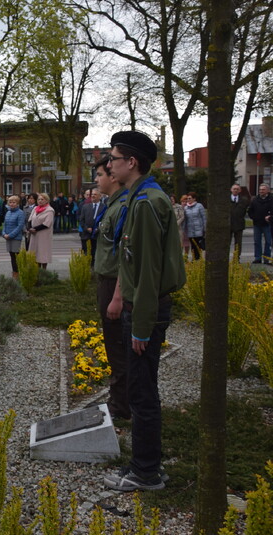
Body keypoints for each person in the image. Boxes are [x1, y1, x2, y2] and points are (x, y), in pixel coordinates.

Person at [104, 130, 185, 492]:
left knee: (141, 393)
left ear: (131, 162)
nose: (110, 165)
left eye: (114, 159)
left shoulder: (147, 203)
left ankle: (146, 472)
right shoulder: (140, 198)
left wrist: (141, 326)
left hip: (144, 309)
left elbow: (149, 271)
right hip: (139, 306)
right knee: (141, 389)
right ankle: (146, 465)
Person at [91, 156, 129, 420]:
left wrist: (117, 295)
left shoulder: (122, 208)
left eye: (100, 175)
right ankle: (119, 399)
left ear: (112, 177)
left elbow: (126, 257)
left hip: (114, 283)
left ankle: (121, 404)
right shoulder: (112, 205)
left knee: (117, 345)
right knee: (113, 343)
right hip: (106, 281)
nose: (96, 180)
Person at [27, 193, 54, 269]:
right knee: (35, 253)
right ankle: (37, 270)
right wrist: (29, 228)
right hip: (34, 235)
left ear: (46, 200)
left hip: (43, 235)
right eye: (39, 199)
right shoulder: (35, 208)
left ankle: (43, 271)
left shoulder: (50, 210)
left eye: (42, 199)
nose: (40, 201)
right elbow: (30, 219)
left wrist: (35, 229)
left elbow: (47, 224)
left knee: (43, 253)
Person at [1, 195, 25, 280]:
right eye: (10, 202)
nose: (12, 204)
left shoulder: (20, 213)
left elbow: (20, 226)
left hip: (16, 238)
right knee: (11, 256)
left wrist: (10, 235)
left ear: (17, 203)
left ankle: (18, 272)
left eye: (14, 202)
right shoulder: (8, 212)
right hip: (7, 237)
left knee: (16, 256)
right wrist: (3, 233)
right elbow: (5, 224)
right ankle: (14, 272)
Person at [249, 183, 272, 264]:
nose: (261, 191)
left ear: (268, 190)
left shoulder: (271, 199)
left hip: (268, 224)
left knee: (268, 242)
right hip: (257, 224)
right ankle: (257, 258)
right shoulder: (255, 200)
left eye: (263, 189)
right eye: (260, 189)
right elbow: (250, 211)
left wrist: (270, 217)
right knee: (257, 242)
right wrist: (254, 217)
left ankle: (266, 258)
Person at [79, 189, 106, 259]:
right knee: (86, 254)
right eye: (92, 194)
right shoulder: (85, 207)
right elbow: (81, 220)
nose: (93, 196)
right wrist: (86, 228)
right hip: (86, 235)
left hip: (98, 236)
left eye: (95, 194)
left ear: (100, 196)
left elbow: (105, 220)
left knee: (95, 254)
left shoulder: (104, 207)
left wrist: (98, 229)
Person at [183, 192, 206, 260]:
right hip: (190, 230)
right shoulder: (186, 208)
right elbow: (185, 220)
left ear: (194, 199)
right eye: (187, 198)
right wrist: (184, 230)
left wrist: (204, 228)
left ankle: (198, 259)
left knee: (198, 246)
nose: (188, 200)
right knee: (193, 246)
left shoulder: (199, 206)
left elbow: (203, 218)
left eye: (190, 198)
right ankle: (194, 259)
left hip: (199, 230)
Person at [229, 184, 250, 259]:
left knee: (238, 244)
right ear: (231, 190)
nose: (235, 190)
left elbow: (248, 210)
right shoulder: (225, 199)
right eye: (234, 189)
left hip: (239, 224)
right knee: (226, 243)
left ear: (240, 190)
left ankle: (236, 259)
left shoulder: (244, 200)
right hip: (228, 225)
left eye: (237, 189)